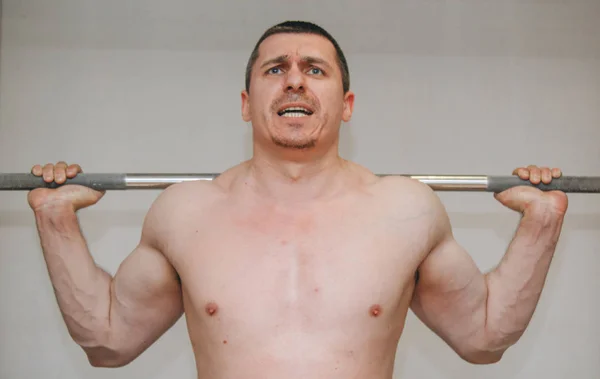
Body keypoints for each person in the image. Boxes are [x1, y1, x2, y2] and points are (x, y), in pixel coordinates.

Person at [27, 21, 568, 379]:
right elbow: (108, 342)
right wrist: (55, 220)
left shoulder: (406, 210)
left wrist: (542, 221)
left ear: (346, 102)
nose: (294, 82)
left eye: (314, 69)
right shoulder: (185, 211)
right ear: (246, 102)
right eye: (274, 69)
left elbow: (484, 338)